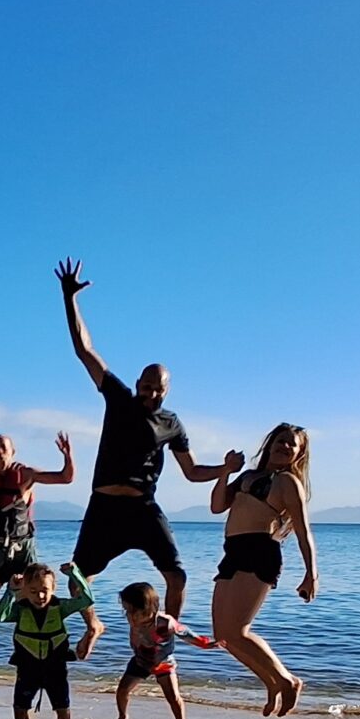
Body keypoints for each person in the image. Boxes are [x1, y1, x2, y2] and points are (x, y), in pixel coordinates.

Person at [55, 258, 241, 621]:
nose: (150, 393)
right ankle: (94, 627)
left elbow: (191, 471)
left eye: (157, 389)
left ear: (166, 390)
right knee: (78, 578)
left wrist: (226, 468)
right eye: (146, 386)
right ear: (138, 382)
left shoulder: (172, 423)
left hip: (143, 509)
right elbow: (84, 350)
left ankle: (167, 632)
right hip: (104, 507)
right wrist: (69, 298)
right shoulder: (119, 398)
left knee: (177, 576)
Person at [207, 421, 320, 715]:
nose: (284, 446)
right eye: (280, 440)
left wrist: (311, 574)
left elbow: (304, 531)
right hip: (233, 551)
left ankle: (288, 680)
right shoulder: (249, 476)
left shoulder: (287, 483)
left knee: (239, 631)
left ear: (299, 454)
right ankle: (271, 682)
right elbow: (218, 506)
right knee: (223, 634)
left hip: (260, 552)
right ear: (270, 443)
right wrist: (225, 472)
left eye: (291, 444)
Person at [0, 431, 77, 695]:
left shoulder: (26, 474)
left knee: (33, 603)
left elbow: (65, 478)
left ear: (12, 451)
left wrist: (68, 456)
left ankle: (35, 658)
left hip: (22, 547)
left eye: (3, 448)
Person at [0, 560, 102, 719]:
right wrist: (10, 591)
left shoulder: (60, 608)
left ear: (53, 589)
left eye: (45, 590)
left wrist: (74, 574)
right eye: (33, 591)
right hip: (28, 668)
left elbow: (86, 600)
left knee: (62, 707)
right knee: (20, 706)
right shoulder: (21, 609)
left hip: (55, 668)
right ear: (25, 589)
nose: (40, 596)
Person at [109, 580, 218, 719]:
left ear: (148, 609)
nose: (129, 616)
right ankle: (123, 716)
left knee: (173, 697)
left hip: (163, 663)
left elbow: (185, 633)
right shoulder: (133, 618)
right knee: (122, 690)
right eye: (126, 610)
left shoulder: (165, 623)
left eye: (132, 611)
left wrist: (204, 643)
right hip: (141, 660)